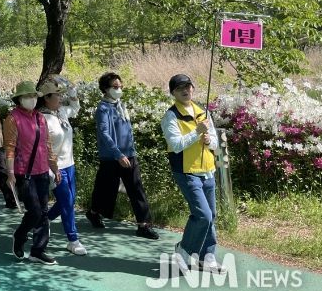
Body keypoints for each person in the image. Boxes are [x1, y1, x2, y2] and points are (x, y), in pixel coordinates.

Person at [162, 74, 225, 274]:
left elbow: (214, 142)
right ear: (173, 93)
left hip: (207, 170)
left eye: (188, 86)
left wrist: (208, 140)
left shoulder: (202, 112)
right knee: (203, 215)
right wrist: (197, 132)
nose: (185, 90)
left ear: (193, 88)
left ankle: (208, 257)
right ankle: (183, 249)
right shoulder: (171, 116)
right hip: (186, 172)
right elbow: (176, 145)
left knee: (211, 215)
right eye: (180, 88)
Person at [86, 72, 159, 240]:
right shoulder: (103, 108)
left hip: (129, 154)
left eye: (120, 86)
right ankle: (94, 212)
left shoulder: (121, 105)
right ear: (106, 89)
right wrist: (118, 154)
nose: (119, 89)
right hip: (111, 157)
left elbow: (127, 130)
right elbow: (104, 134)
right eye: (115, 87)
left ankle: (144, 225)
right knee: (105, 189)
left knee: (136, 188)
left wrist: (130, 150)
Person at [5, 80, 60, 265]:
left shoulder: (40, 118)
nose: (32, 99)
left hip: (42, 171)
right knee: (35, 211)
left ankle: (38, 250)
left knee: (43, 212)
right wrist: (10, 173)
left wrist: (54, 167)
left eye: (34, 96)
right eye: (27, 96)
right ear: (19, 99)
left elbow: (47, 145)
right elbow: (10, 147)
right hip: (24, 173)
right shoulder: (13, 118)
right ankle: (20, 235)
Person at [38, 75, 87, 256]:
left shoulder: (62, 112)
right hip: (55, 167)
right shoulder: (41, 118)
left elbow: (75, 107)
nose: (60, 97)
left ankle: (45, 220)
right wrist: (50, 169)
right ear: (46, 98)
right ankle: (73, 240)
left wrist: (71, 88)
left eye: (60, 94)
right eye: (56, 95)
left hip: (69, 164)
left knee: (70, 200)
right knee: (67, 202)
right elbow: (41, 147)